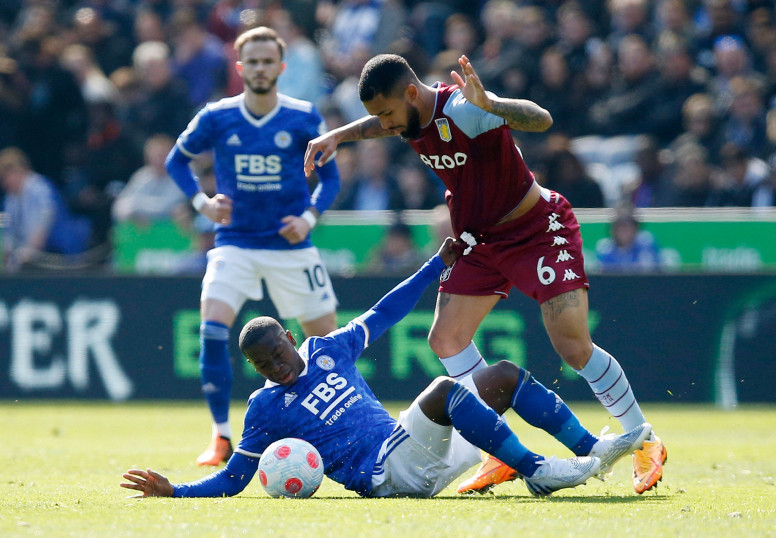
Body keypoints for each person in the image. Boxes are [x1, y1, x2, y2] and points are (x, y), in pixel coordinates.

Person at [303, 53, 666, 495]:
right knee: (445, 338)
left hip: (535, 230)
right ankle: (501, 451)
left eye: (387, 114)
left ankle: (643, 438)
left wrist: (492, 105)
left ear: (412, 94)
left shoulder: (463, 108)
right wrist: (339, 135)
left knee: (573, 346)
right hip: (479, 239)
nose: (386, 126)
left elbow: (542, 119)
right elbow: (384, 123)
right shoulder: (410, 118)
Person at [121, 239, 652, 499]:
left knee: (503, 376)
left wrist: (432, 268)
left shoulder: (327, 348)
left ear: (290, 335)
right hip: (383, 474)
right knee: (447, 389)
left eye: (279, 354)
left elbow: (384, 311)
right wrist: (176, 492)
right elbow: (237, 479)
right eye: (262, 365)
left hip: (413, 450)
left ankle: (589, 450)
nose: (276, 367)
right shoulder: (265, 407)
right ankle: (537, 470)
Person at [164, 26, 341, 467]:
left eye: (268, 61)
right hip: (235, 242)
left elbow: (332, 179)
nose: (261, 69)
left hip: (290, 246)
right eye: (253, 62)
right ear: (240, 68)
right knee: (212, 328)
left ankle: (335, 426)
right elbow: (176, 161)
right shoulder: (216, 116)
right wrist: (202, 202)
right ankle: (221, 435)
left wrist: (309, 217)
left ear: (280, 67)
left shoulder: (303, 116)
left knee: (329, 345)